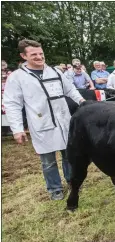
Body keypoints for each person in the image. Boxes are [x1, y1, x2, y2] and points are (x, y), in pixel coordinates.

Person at [3, 39, 85, 200]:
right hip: (42, 123)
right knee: (48, 161)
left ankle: (71, 182)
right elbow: (12, 104)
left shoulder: (55, 72)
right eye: (34, 54)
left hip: (64, 121)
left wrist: (82, 101)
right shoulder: (17, 77)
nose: (39, 57)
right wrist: (17, 129)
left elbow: (70, 89)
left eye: (41, 53)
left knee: (69, 155)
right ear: (23, 56)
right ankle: (55, 189)